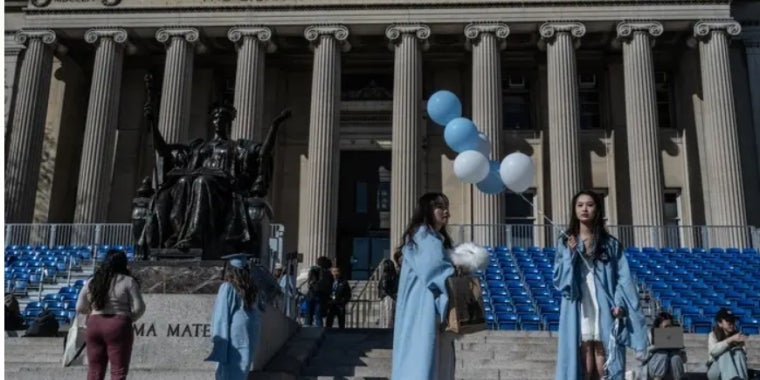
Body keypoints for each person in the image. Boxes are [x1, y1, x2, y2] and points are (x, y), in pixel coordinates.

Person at [553, 190, 648, 380]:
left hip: (604, 301)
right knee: (584, 348)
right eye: (580, 205)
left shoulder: (610, 244)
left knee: (603, 348)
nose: (584, 209)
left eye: (589, 204)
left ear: (597, 209)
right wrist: (570, 254)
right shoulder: (565, 241)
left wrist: (619, 303)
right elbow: (559, 279)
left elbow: (624, 278)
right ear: (574, 210)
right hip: (578, 302)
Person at [391, 192, 457, 380]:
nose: (446, 211)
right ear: (427, 210)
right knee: (424, 358)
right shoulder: (424, 236)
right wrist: (461, 272)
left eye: (447, 206)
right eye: (439, 207)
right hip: (423, 309)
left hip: (424, 309)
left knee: (426, 358)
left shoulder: (431, 238)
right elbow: (438, 272)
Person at [76, 249, 145, 380]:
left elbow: (79, 307)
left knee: (94, 370)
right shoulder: (128, 281)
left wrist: (91, 312)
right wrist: (129, 318)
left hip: (95, 322)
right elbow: (139, 307)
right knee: (118, 370)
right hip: (118, 323)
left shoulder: (92, 281)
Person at [207, 253, 262, 380]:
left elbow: (222, 315)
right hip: (248, 331)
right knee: (242, 368)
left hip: (234, 332)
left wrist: (218, 339)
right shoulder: (252, 289)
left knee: (228, 370)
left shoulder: (228, 287)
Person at [706, 308, 748, 380]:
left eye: (733, 320)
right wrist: (730, 340)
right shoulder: (713, 335)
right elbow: (713, 352)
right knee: (723, 352)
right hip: (715, 371)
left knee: (739, 352)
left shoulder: (738, 336)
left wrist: (742, 345)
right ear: (720, 323)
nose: (731, 323)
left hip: (735, 371)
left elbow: (743, 358)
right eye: (728, 320)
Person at [646, 312, 686, 380]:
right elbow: (643, 356)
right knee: (662, 354)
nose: (669, 329)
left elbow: (684, 360)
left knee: (675, 358)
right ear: (659, 326)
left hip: (673, 371)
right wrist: (656, 346)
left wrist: (680, 350)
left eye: (671, 326)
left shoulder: (675, 336)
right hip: (655, 369)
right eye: (666, 326)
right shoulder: (650, 335)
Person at [305, 256, 332, 327]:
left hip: (313, 293)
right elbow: (329, 286)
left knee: (309, 314)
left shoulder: (315, 270)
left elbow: (310, 281)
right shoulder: (328, 273)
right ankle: (318, 330)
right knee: (318, 315)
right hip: (321, 295)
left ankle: (307, 328)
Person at [378, 258, 399, 328]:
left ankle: (386, 328)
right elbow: (384, 286)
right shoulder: (387, 275)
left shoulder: (386, 275)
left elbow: (382, 286)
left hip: (386, 297)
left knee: (386, 317)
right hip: (388, 297)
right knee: (388, 317)